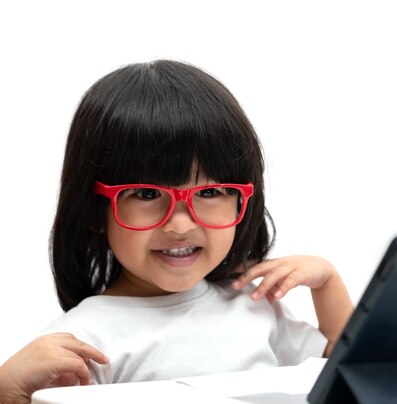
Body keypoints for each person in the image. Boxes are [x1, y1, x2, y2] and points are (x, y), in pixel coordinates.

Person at [2, 59, 353, 399]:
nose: (181, 223)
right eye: (147, 193)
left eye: (210, 192)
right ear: (94, 209)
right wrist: (6, 389)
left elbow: (349, 374)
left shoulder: (253, 305)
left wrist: (327, 285)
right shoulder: (82, 341)